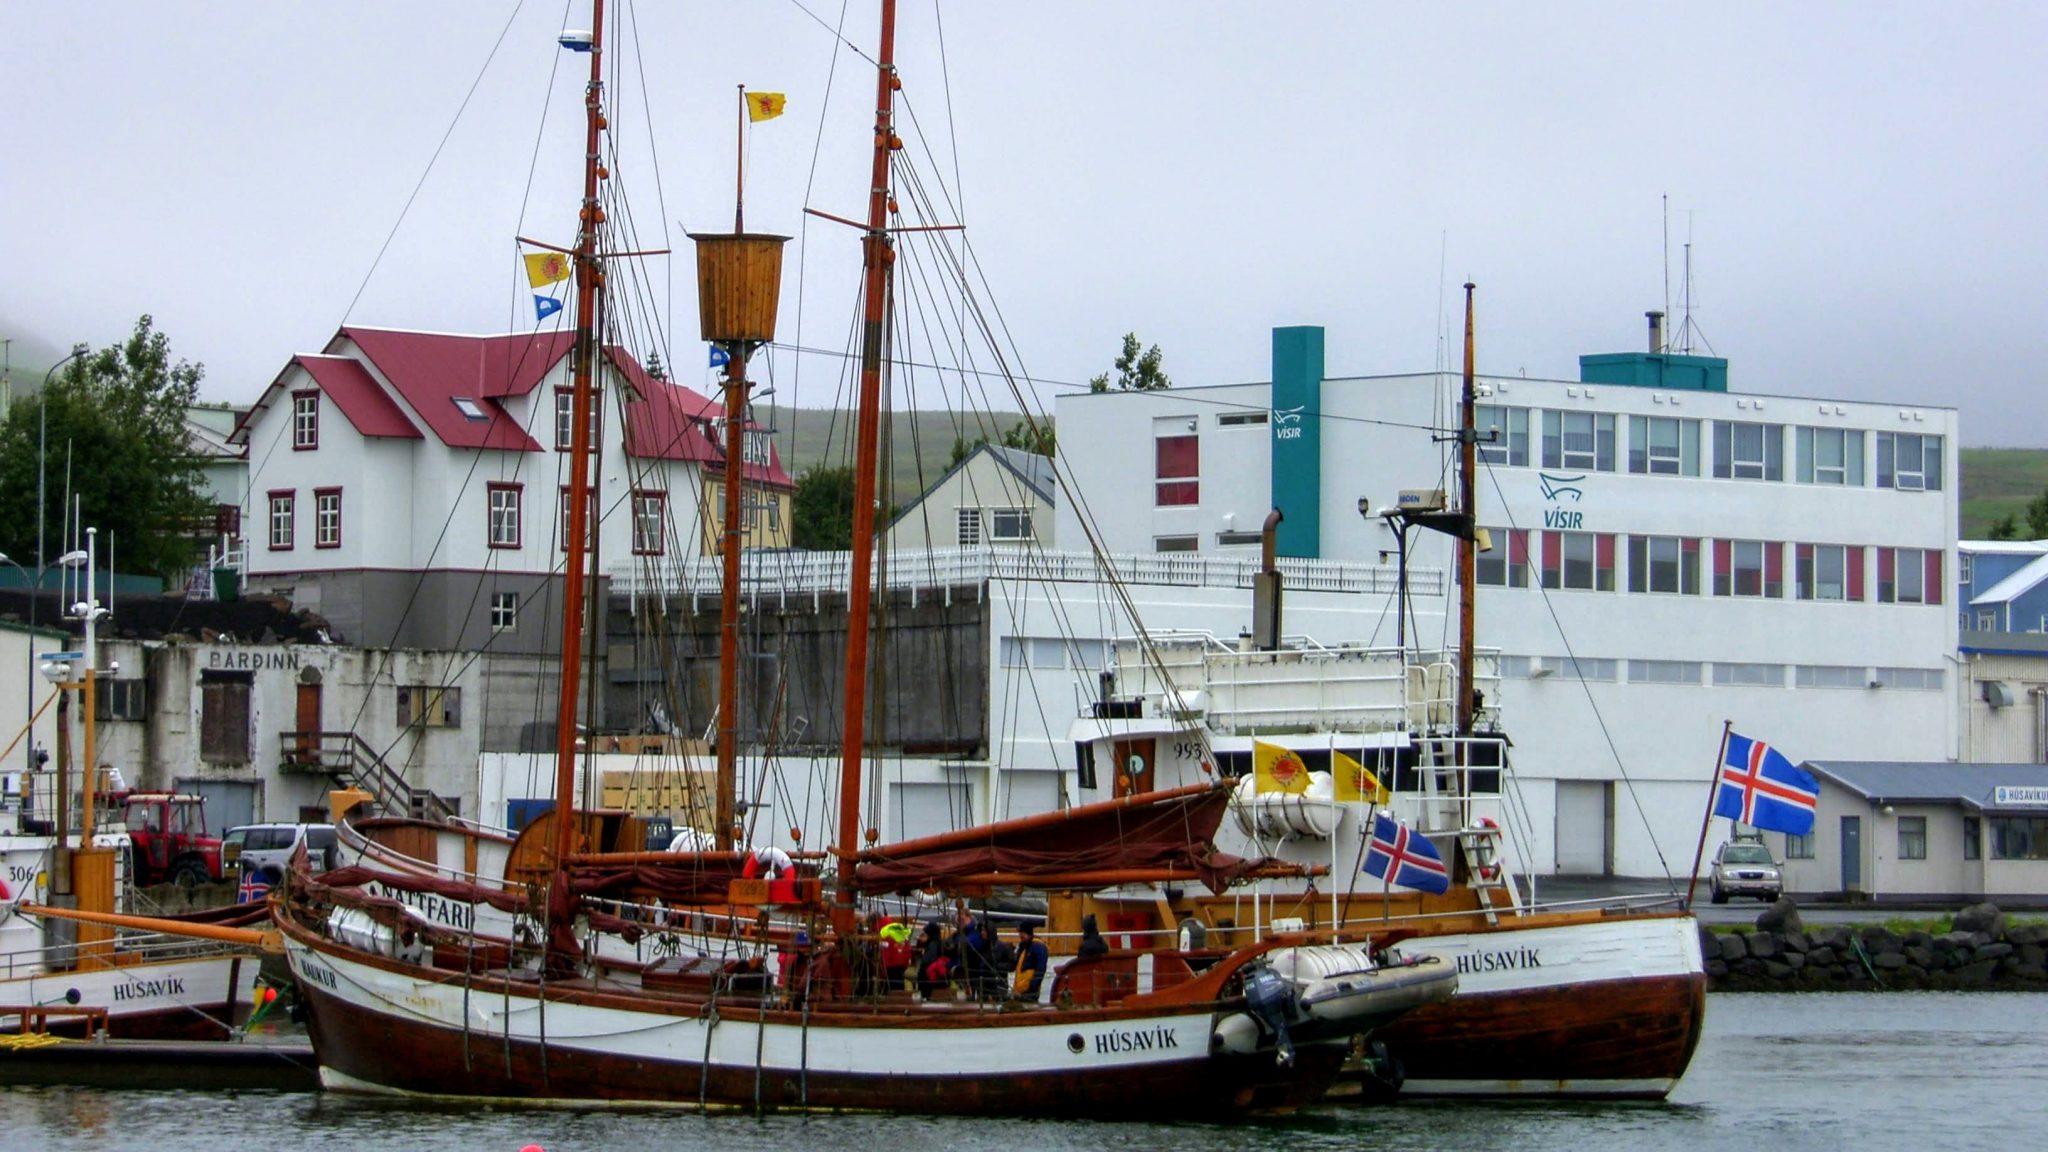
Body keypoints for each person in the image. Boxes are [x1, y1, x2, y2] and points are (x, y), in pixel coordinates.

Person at [1012, 921, 1050, 1000]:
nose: (1020, 935)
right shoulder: (1022, 946)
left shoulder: (1038, 946)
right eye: (1019, 933)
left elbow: (1041, 969)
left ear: (1028, 933)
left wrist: (1032, 988)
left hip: (1029, 992)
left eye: (1022, 933)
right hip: (1019, 991)